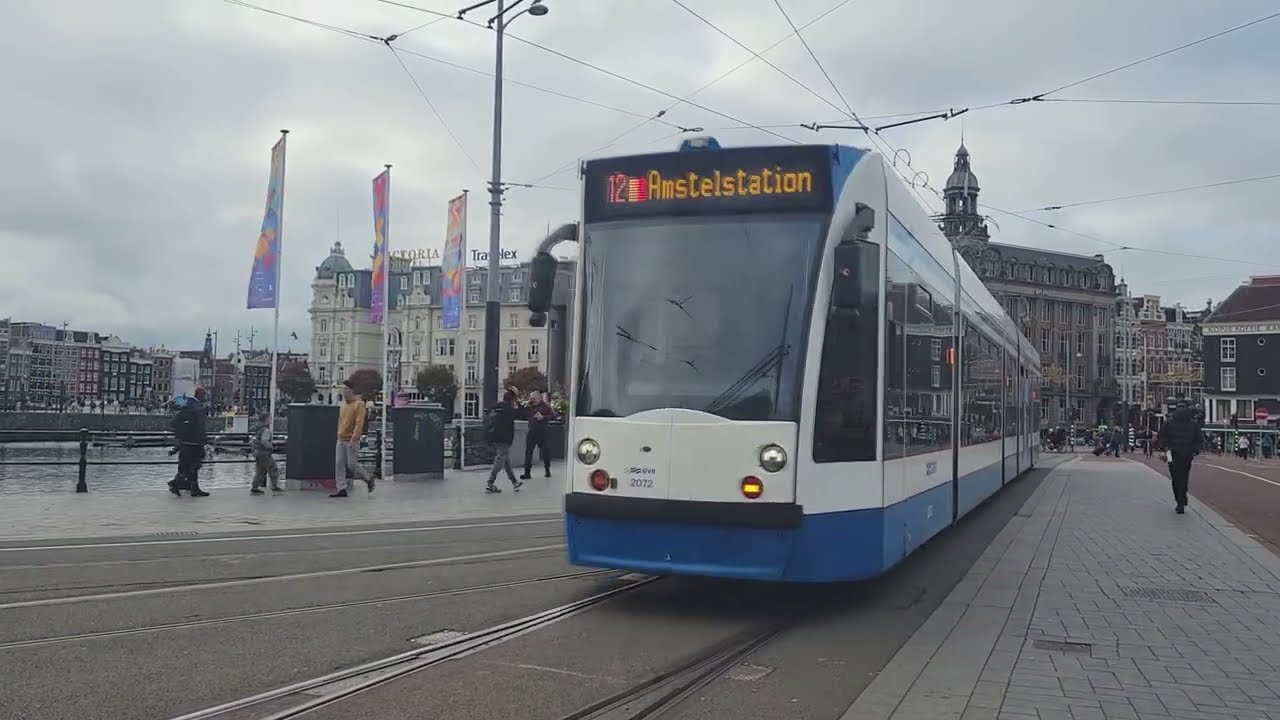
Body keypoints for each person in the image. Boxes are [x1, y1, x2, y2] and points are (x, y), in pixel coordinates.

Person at [1156, 403, 1204, 514]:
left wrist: (1165, 448)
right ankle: (1182, 499)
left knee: (1175, 477)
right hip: (1187, 454)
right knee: (1184, 476)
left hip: (1171, 453)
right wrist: (1195, 450)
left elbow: (1161, 437)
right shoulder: (1193, 424)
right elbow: (1199, 439)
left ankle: (1179, 499)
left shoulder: (1168, 423)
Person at [332, 380, 374, 498]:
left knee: (351, 465)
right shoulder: (343, 404)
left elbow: (359, 423)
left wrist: (354, 438)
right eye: (343, 389)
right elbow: (341, 421)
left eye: (346, 389)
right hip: (341, 438)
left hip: (351, 439)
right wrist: (339, 434)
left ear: (352, 390)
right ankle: (341, 488)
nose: (344, 391)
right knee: (338, 464)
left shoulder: (359, 404)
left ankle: (368, 478)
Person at [170, 387, 210, 498]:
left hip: (185, 442)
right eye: (204, 395)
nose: (205, 397)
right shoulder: (198, 409)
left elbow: (175, 423)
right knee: (194, 465)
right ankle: (178, 484)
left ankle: (192, 487)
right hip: (194, 442)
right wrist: (203, 440)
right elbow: (199, 427)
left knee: (187, 466)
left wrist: (180, 438)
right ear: (201, 396)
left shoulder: (187, 406)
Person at [484, 388, 523, 493]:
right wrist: (518, 401)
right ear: (512, 399)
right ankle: (490, 482)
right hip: (504, 438)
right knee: (500, 459)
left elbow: (487, 412)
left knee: (506, 461)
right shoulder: (510, 409)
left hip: (494, 436)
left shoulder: (496, 406)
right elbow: (521, 413)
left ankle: (514, 482)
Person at [521, 390, 557, 480]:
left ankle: (547, 470)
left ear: (539, 398)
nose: (532, 400)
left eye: (534, 398)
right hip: (531, 431)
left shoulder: (545, 406)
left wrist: (543, 417)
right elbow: (522, 414)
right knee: (528, 452)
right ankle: (527, 472)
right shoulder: (529, 406)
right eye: (531, 398)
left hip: (542, 431)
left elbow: (553, 415)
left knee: (545, 451)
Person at [250, 410, 282, 494]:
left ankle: (255, 486)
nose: (271, 420)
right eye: (270, 418)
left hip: (257, 452)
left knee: (260, 470)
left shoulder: (258, 428)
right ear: (266, 419)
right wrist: (270, 447)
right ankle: (275, 486)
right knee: (273, 468)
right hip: (264, 453)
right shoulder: (266, 430)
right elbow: (264, 441)